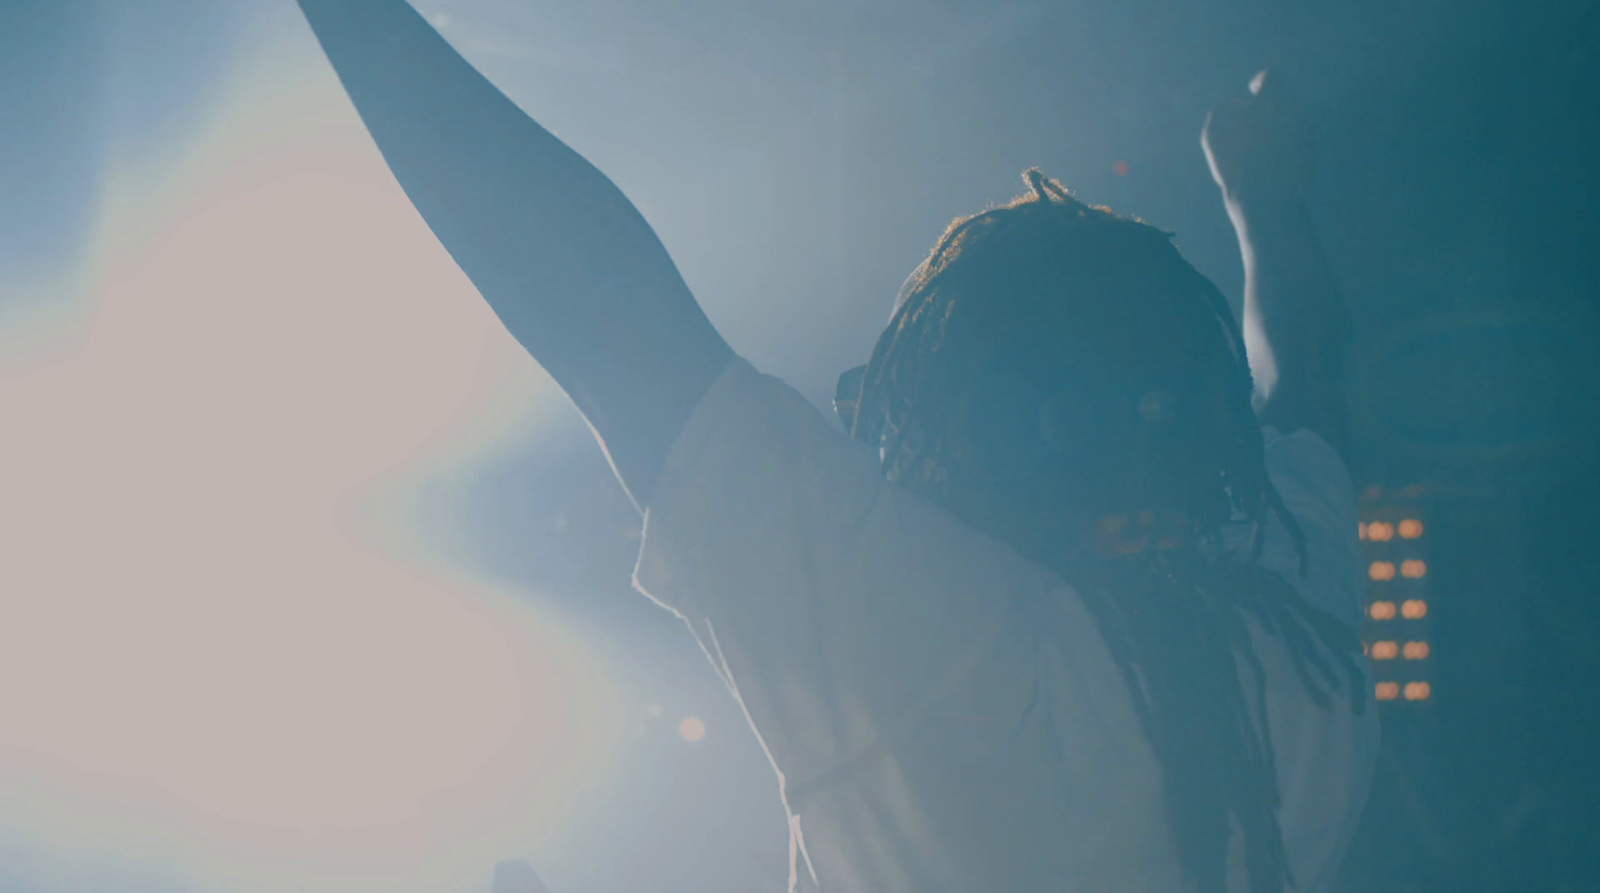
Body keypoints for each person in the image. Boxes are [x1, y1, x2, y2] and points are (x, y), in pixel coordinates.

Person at [294, 3, 1379, 891]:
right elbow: (1305, 386)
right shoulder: (1302, 640)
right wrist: (1262, 205)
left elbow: (596, 297)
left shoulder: (939, 654)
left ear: (976, 422)